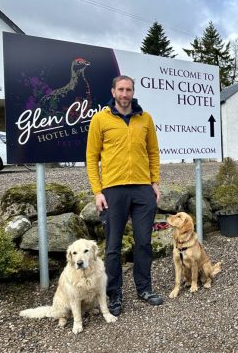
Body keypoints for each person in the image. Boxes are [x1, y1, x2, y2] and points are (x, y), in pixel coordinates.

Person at [86, 75, 163, 316]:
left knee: (143, 243)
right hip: (113, 190)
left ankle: (144, 288)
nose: (125, 94)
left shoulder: (145, 118)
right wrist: (97, 191)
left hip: (142, 189)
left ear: (133, 92)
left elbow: (153, 152)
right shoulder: (100, 119)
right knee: (112, 247)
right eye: (120, 89)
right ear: (113, 91)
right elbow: (91, 157)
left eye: (128, 89)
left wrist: (155, 182)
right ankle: (114, 294)